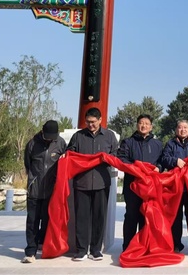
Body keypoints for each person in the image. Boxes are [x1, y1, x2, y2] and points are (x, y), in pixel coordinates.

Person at [67, 107, 118, 262]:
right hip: (82, 183)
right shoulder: (78, 136)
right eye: (88, 122)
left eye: (93, 122)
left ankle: (96, 250)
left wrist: (106, 158)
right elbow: (70, 154)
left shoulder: (109, 136)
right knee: (81, 217)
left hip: (102, 183)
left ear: (100, 120)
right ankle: (81, 250)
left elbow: (116, 155)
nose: (90, 125)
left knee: (99, 217)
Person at [22, 120, 67, 263]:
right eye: (48, 136)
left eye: (52, 137)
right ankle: (30, 251)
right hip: (34, 190)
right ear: (42, 131)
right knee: (32, 221)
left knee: (48, 220)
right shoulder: (32, 144)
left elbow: (65, 162)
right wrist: (33, 179)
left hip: (51, 191)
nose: (50, 139)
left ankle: (42, 243)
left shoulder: (60, 143)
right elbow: (28, 164)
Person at [117, 114, 164, 251]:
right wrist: (137, 168)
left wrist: (159, 167)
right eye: (141, 123)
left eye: (146, 123)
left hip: (149, 187)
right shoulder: (128, 142)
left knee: (146, 217)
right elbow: (121, 159)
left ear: (151, 127)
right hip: (132, 186)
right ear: (137, 125)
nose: (144, 126)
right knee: (131, 216)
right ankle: (128, 247)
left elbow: (162, 161)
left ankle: (144, 246)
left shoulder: (157, 144)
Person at [161, 119, 188, 255]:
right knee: (176, 216)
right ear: (176, 130)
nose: (183, 130)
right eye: (180, 127)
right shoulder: (170, 143)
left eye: (185, 127)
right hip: (176, 186)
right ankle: (176, 244)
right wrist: (175, 161)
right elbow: (164, 159)